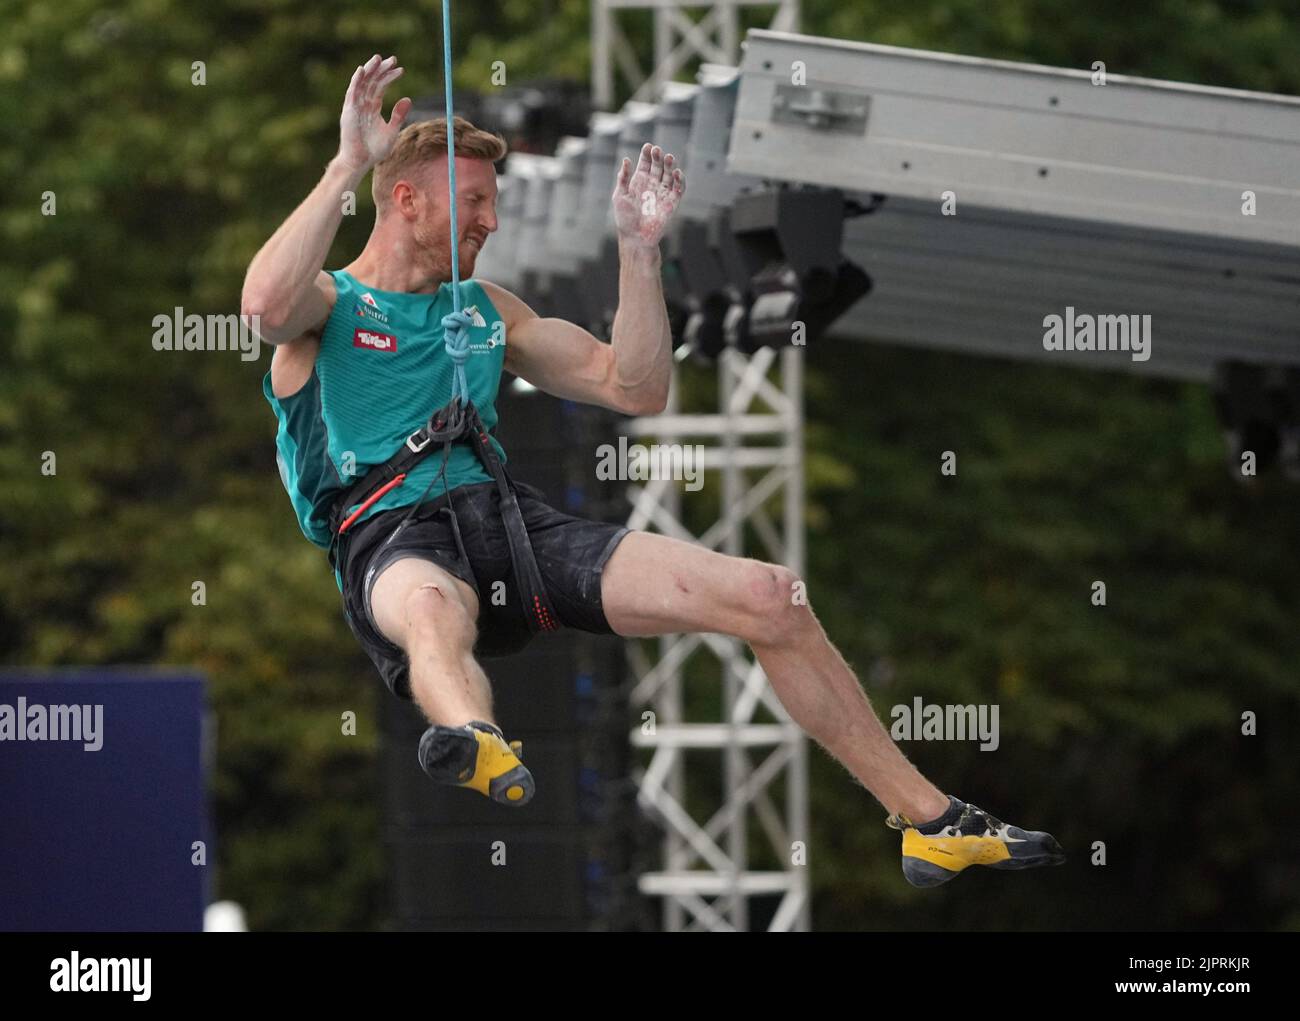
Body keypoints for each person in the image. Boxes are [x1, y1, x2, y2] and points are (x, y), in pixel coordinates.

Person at [242, 53, 1065, 887]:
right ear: (407, 201)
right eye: (476, 202)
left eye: (494, 202)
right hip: (389, 538)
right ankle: (473, 737)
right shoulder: (331, 306)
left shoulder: (488, 312)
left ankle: (931, 822)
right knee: (427, 606)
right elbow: (265, 305)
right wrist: (348, 163)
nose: (492, 221)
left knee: (769, 597)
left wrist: (640, 254)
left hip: (512, 526)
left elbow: (634, 387)